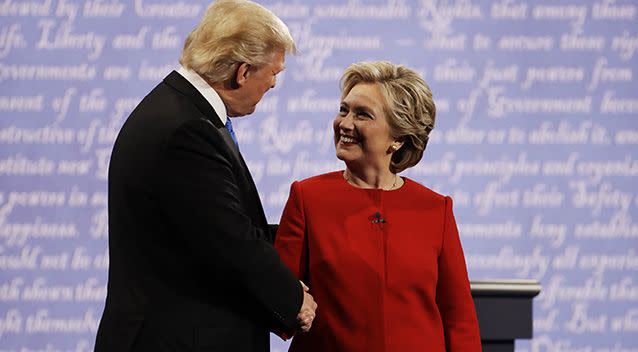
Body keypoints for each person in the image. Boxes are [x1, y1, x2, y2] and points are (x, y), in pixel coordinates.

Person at [94, 1, 316, 351]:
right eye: (274, 72)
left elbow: (214, 228)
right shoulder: (187, 130)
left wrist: (311, 240)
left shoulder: (175, 110)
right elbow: (231, 242)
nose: (273, 84)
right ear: (242, 72)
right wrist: (293, 299)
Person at [274, 61, 481, 352]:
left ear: (398, 137)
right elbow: (279, 302)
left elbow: (459, 319)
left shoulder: (436, 209)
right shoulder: (307, 197)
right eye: (343, 110)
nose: (345, 123)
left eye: (362, 115)